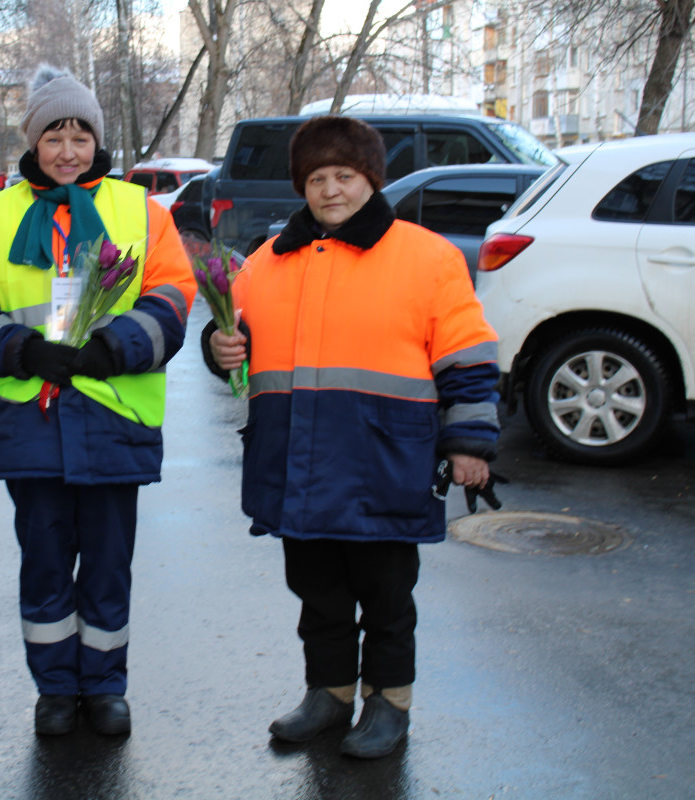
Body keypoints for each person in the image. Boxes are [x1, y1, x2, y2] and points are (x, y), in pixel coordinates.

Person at [203, 116, 501, 758]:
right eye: (316, 178)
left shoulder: (427, 257)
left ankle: (388, 705)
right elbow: (236, 340)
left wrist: (470, 444)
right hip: (299, 462)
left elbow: (468, 358)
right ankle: (329, 694)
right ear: (301, 186)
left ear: (370, 178)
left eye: (344, 175)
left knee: (388, 597)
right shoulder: (268, 260)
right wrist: (220, 346)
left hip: (385, 459)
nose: (330, 190)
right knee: (318, 591)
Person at [0, 66, 196, 737]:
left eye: (80, 134)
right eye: (54, 134)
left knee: (110, 563)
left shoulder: (140, 210)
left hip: (115, 413)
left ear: (96, 140)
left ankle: (106, 685)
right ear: (33, 141)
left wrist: (115, 347)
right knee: (46, 561)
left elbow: (173, 296)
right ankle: (56, 688)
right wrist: (23, 351)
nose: (68, 149)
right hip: (31, 419)